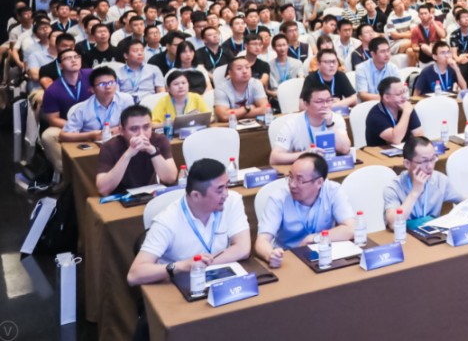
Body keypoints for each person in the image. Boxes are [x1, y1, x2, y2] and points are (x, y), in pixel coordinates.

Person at [127, 158, 251, 286]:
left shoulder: (232, 201)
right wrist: (182, 266)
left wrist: (199, 265)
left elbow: (243, 248)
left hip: (220, 279)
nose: (226, 194)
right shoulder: (167, 221)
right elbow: (134, 275)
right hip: (178, 285)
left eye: (227, 186)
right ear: (196, 195)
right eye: (219, 190)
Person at [254, 152, 356, 264]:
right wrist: (270, 255)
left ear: (319, 182)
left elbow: (351, 229)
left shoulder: (333, 191)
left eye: (300, 180)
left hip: (321, 254)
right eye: (290, 177)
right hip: (287, 257)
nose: (292, 185)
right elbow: (262, 241)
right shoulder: (278, 199)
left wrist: (314, 238)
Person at [383, 136, 465, 230]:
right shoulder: (394, 187)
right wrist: (415, 192)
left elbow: (465, 202)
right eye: (424, 161)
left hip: (431, 235)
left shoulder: (440, 180)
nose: (430, 166)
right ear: (407, 164)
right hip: (403, 236)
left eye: (433, 159)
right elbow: (393, 224)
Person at [96, 105, 178, 196]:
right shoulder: (109, 147)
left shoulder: (159, 140)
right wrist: (128, 154)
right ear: (121, 130)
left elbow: (171, 179)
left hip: (150, 194)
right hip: (119, 197)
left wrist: (153, 151)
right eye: (134, 129)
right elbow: (103, 189)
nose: (141, 134)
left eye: (146, 127)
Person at [269, 81, 352, 164]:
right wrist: (306, 154)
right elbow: (274, 158)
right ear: (306, 104)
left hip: (331, 165)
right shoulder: (292, 124)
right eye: (319, 101)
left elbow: (345, 149)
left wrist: (330, 125)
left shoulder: (336, 118)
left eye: (329, 100)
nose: (325, 105)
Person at [60, 67, 135, 142]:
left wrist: (109, 132)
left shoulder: (126, 99)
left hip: (120, 141)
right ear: (92, 89)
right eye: (102, 84)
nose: (108, 87)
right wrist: (91, 135)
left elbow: (132, 125)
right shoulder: (83, 108)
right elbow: (64, 135)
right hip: (92, 144)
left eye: (111, 82)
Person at [364, 76, 423, 147]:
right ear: (386, 97)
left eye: (404, 92)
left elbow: (419, 135)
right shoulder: (375, 115)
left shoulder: (406, 106)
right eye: (398, 94)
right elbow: (395, 140)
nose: (404, 97)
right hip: (379, 152)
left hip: (406, 150)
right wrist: (406, 113)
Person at [213, 55, 271, 122]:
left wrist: (235, 115)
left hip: (252, 124)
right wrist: (247, 108)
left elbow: (266, 109)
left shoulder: (256, 84)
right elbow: (224, 116)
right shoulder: (221, 89)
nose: (245, 71)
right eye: (239, 68)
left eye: (247, 67)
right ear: (230, 73)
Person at [354, 37, 403, 101]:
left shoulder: (393, 67)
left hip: (390, 103)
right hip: (369, 104)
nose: (387, 54)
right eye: (382, 51)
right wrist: (388, 98)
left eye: (388, 50)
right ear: (373, 54)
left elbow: (400, 90)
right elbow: (363, 95)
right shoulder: (361, 69)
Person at [265, 33, 307, 103]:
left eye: (284, 45)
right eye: (279, 46)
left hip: (294, 97)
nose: (282, 49)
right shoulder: (268, 65)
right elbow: (267, 90)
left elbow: (301, 80)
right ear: (273, 47)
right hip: (276, 98)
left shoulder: (297, 63)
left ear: (288, 45)